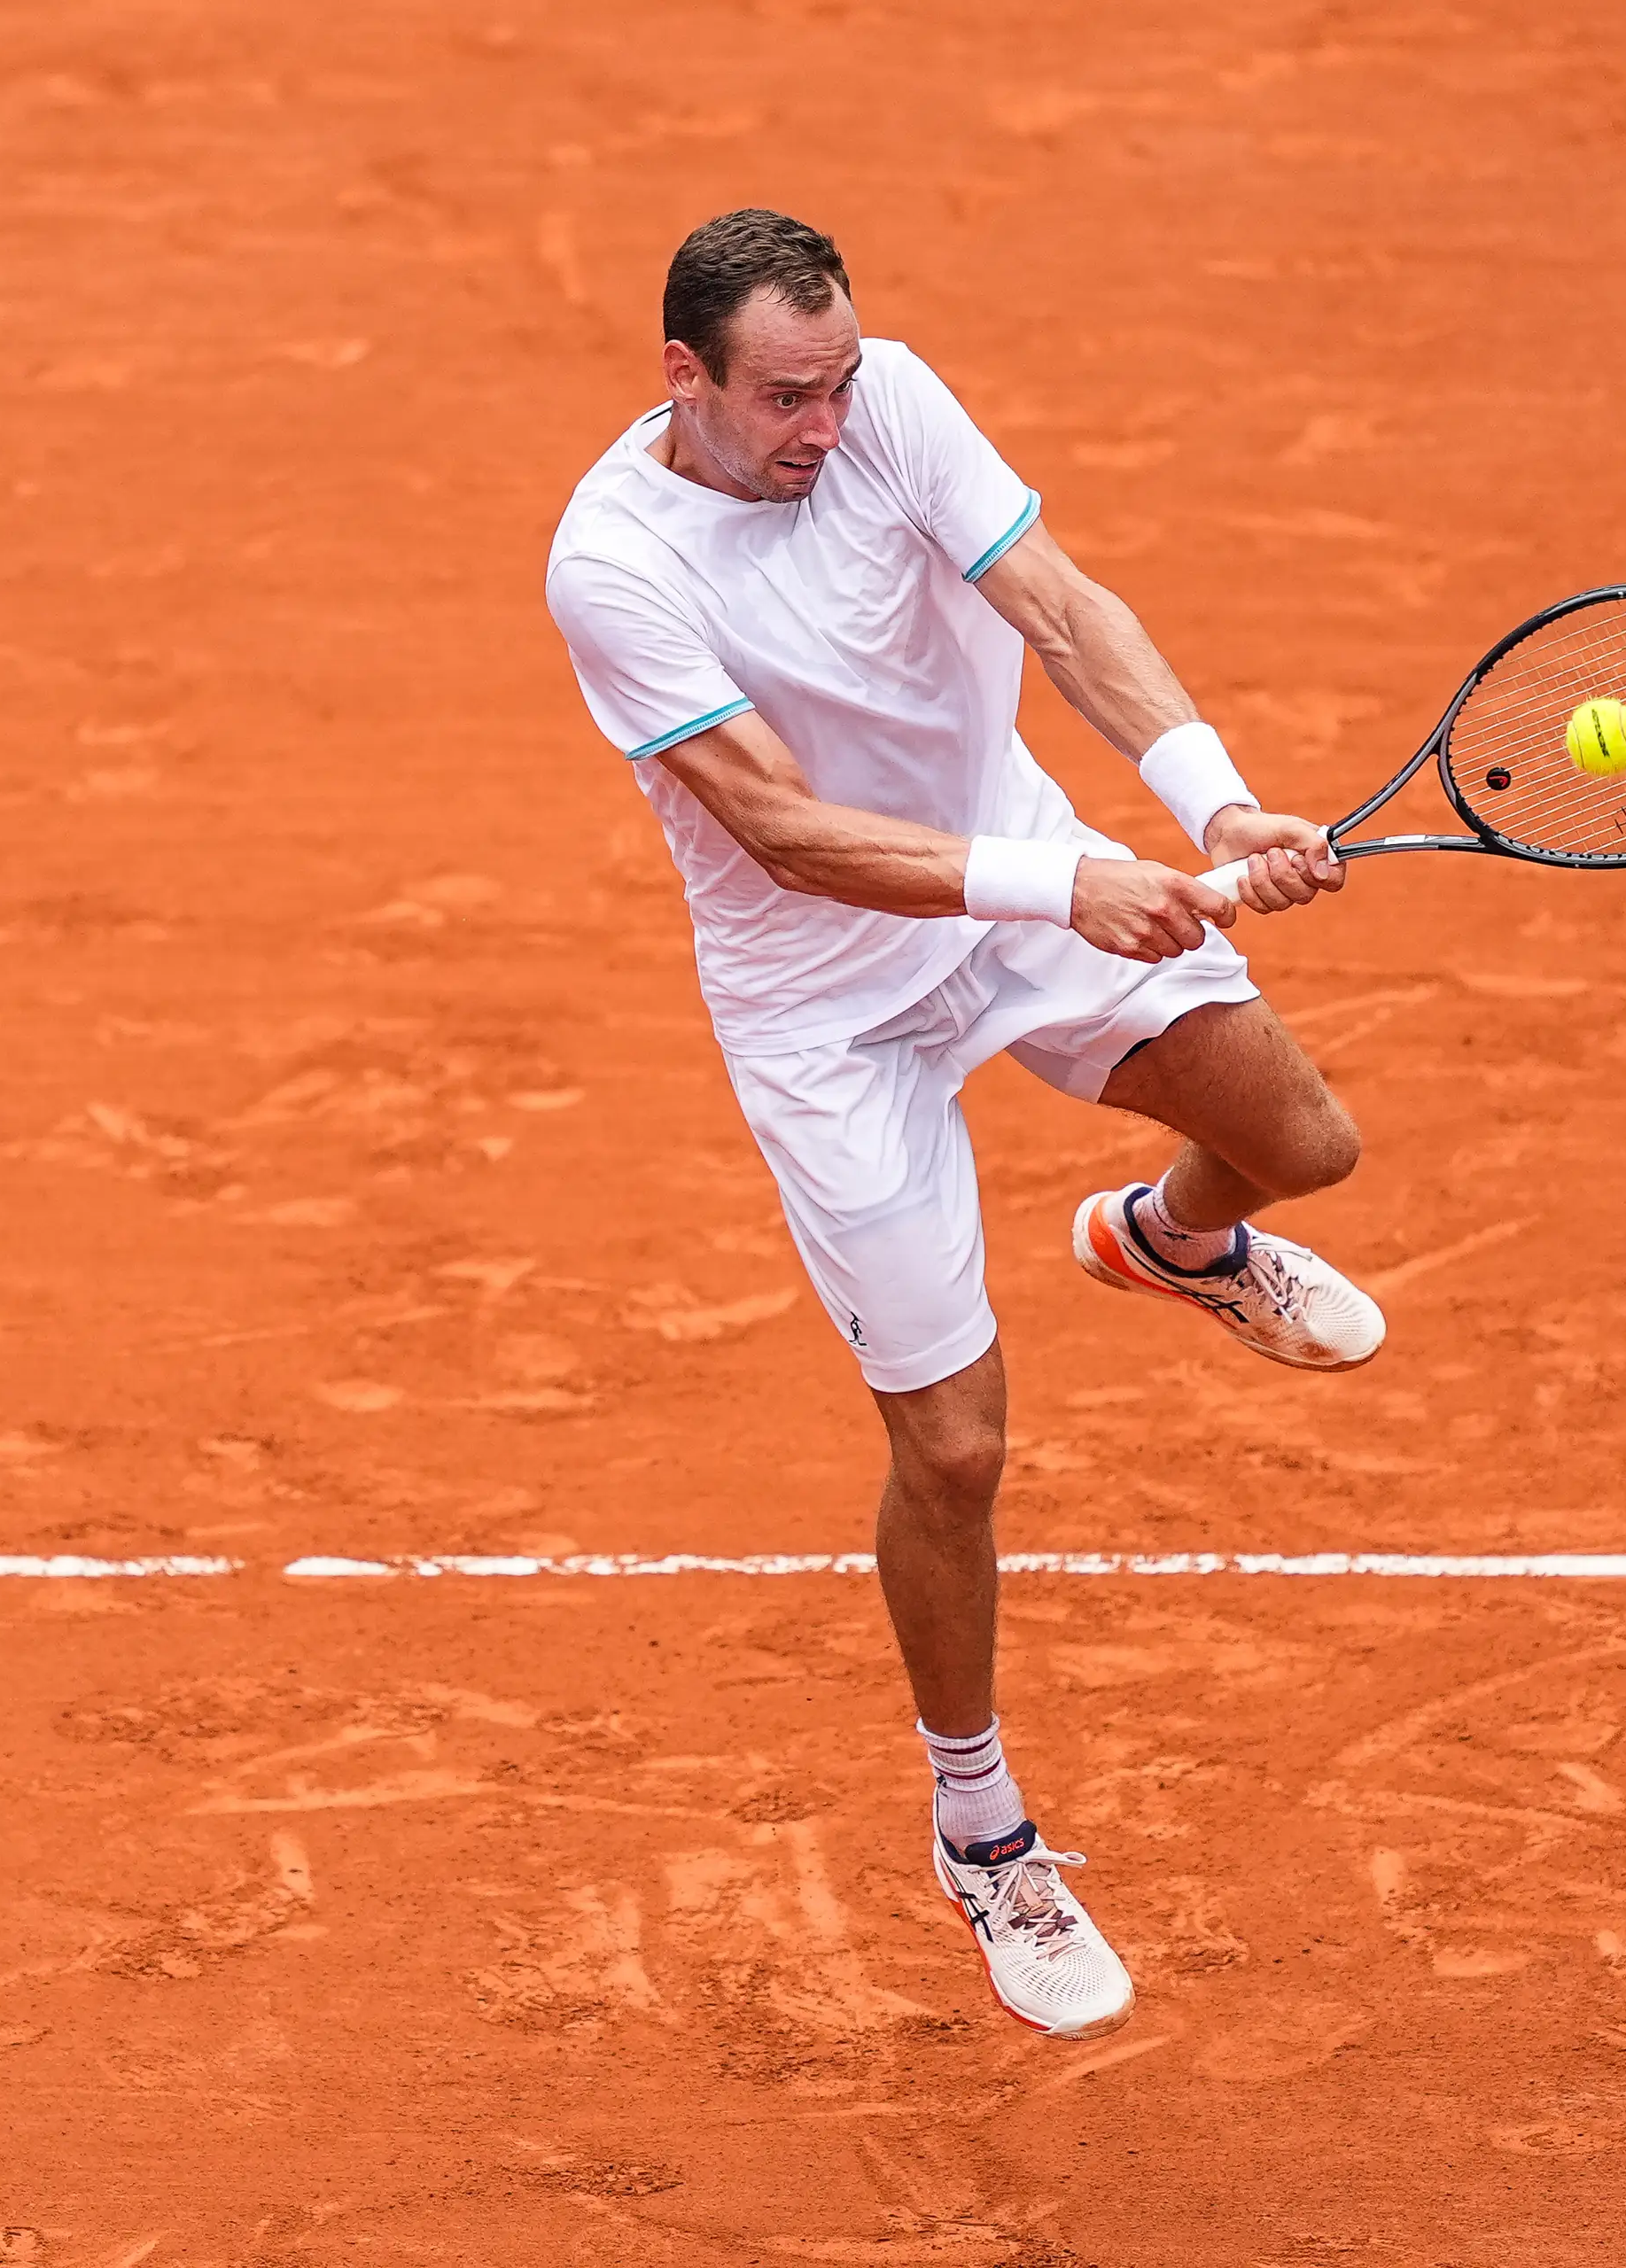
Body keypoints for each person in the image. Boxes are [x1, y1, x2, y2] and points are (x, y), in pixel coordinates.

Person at [543, 209, 1381, 2039]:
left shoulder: (895, 403)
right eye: (784, 396)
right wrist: (1059, 881)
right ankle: (982, 1819)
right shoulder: (612, 559)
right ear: (682, 375)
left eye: (840, 383)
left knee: (1306, 1142)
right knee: (957, 1448)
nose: (825, 426)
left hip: (1021, 896)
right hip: (824, 1006)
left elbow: (1064, 610)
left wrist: (1214, 800)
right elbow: (783, 829)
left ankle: (1172, 1241)